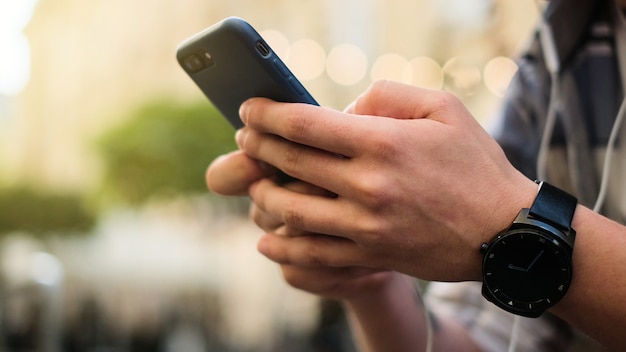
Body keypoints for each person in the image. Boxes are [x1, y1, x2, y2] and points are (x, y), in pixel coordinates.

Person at [206, 0, 626, 350]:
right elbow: (489, 341)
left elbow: (497, 213)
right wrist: (371, 277)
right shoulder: (555, 52)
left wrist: (500, 220)